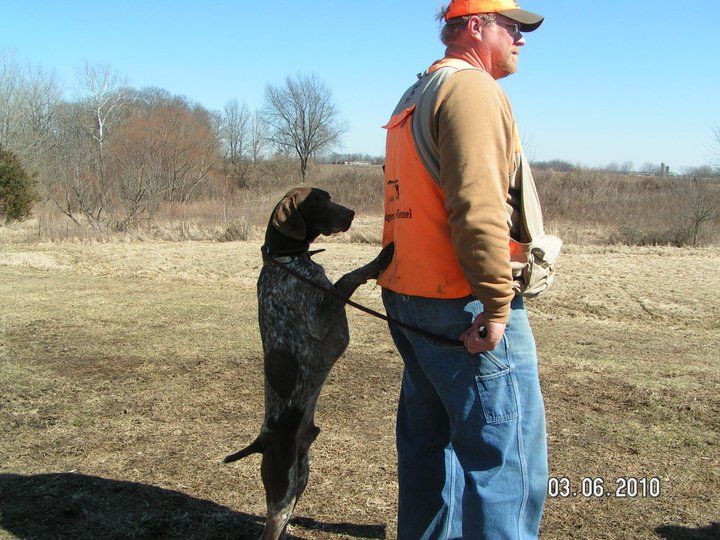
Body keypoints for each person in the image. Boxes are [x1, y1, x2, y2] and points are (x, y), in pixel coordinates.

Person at [377, 1, 557, 538]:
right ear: (476, 27)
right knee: (505, 462)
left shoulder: (417, 92)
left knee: (429, 448)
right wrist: (497, 304)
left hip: (411, 297)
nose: (523, 39)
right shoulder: (472, 90)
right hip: (465, 302)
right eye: (513, 26)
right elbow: (476, 210)